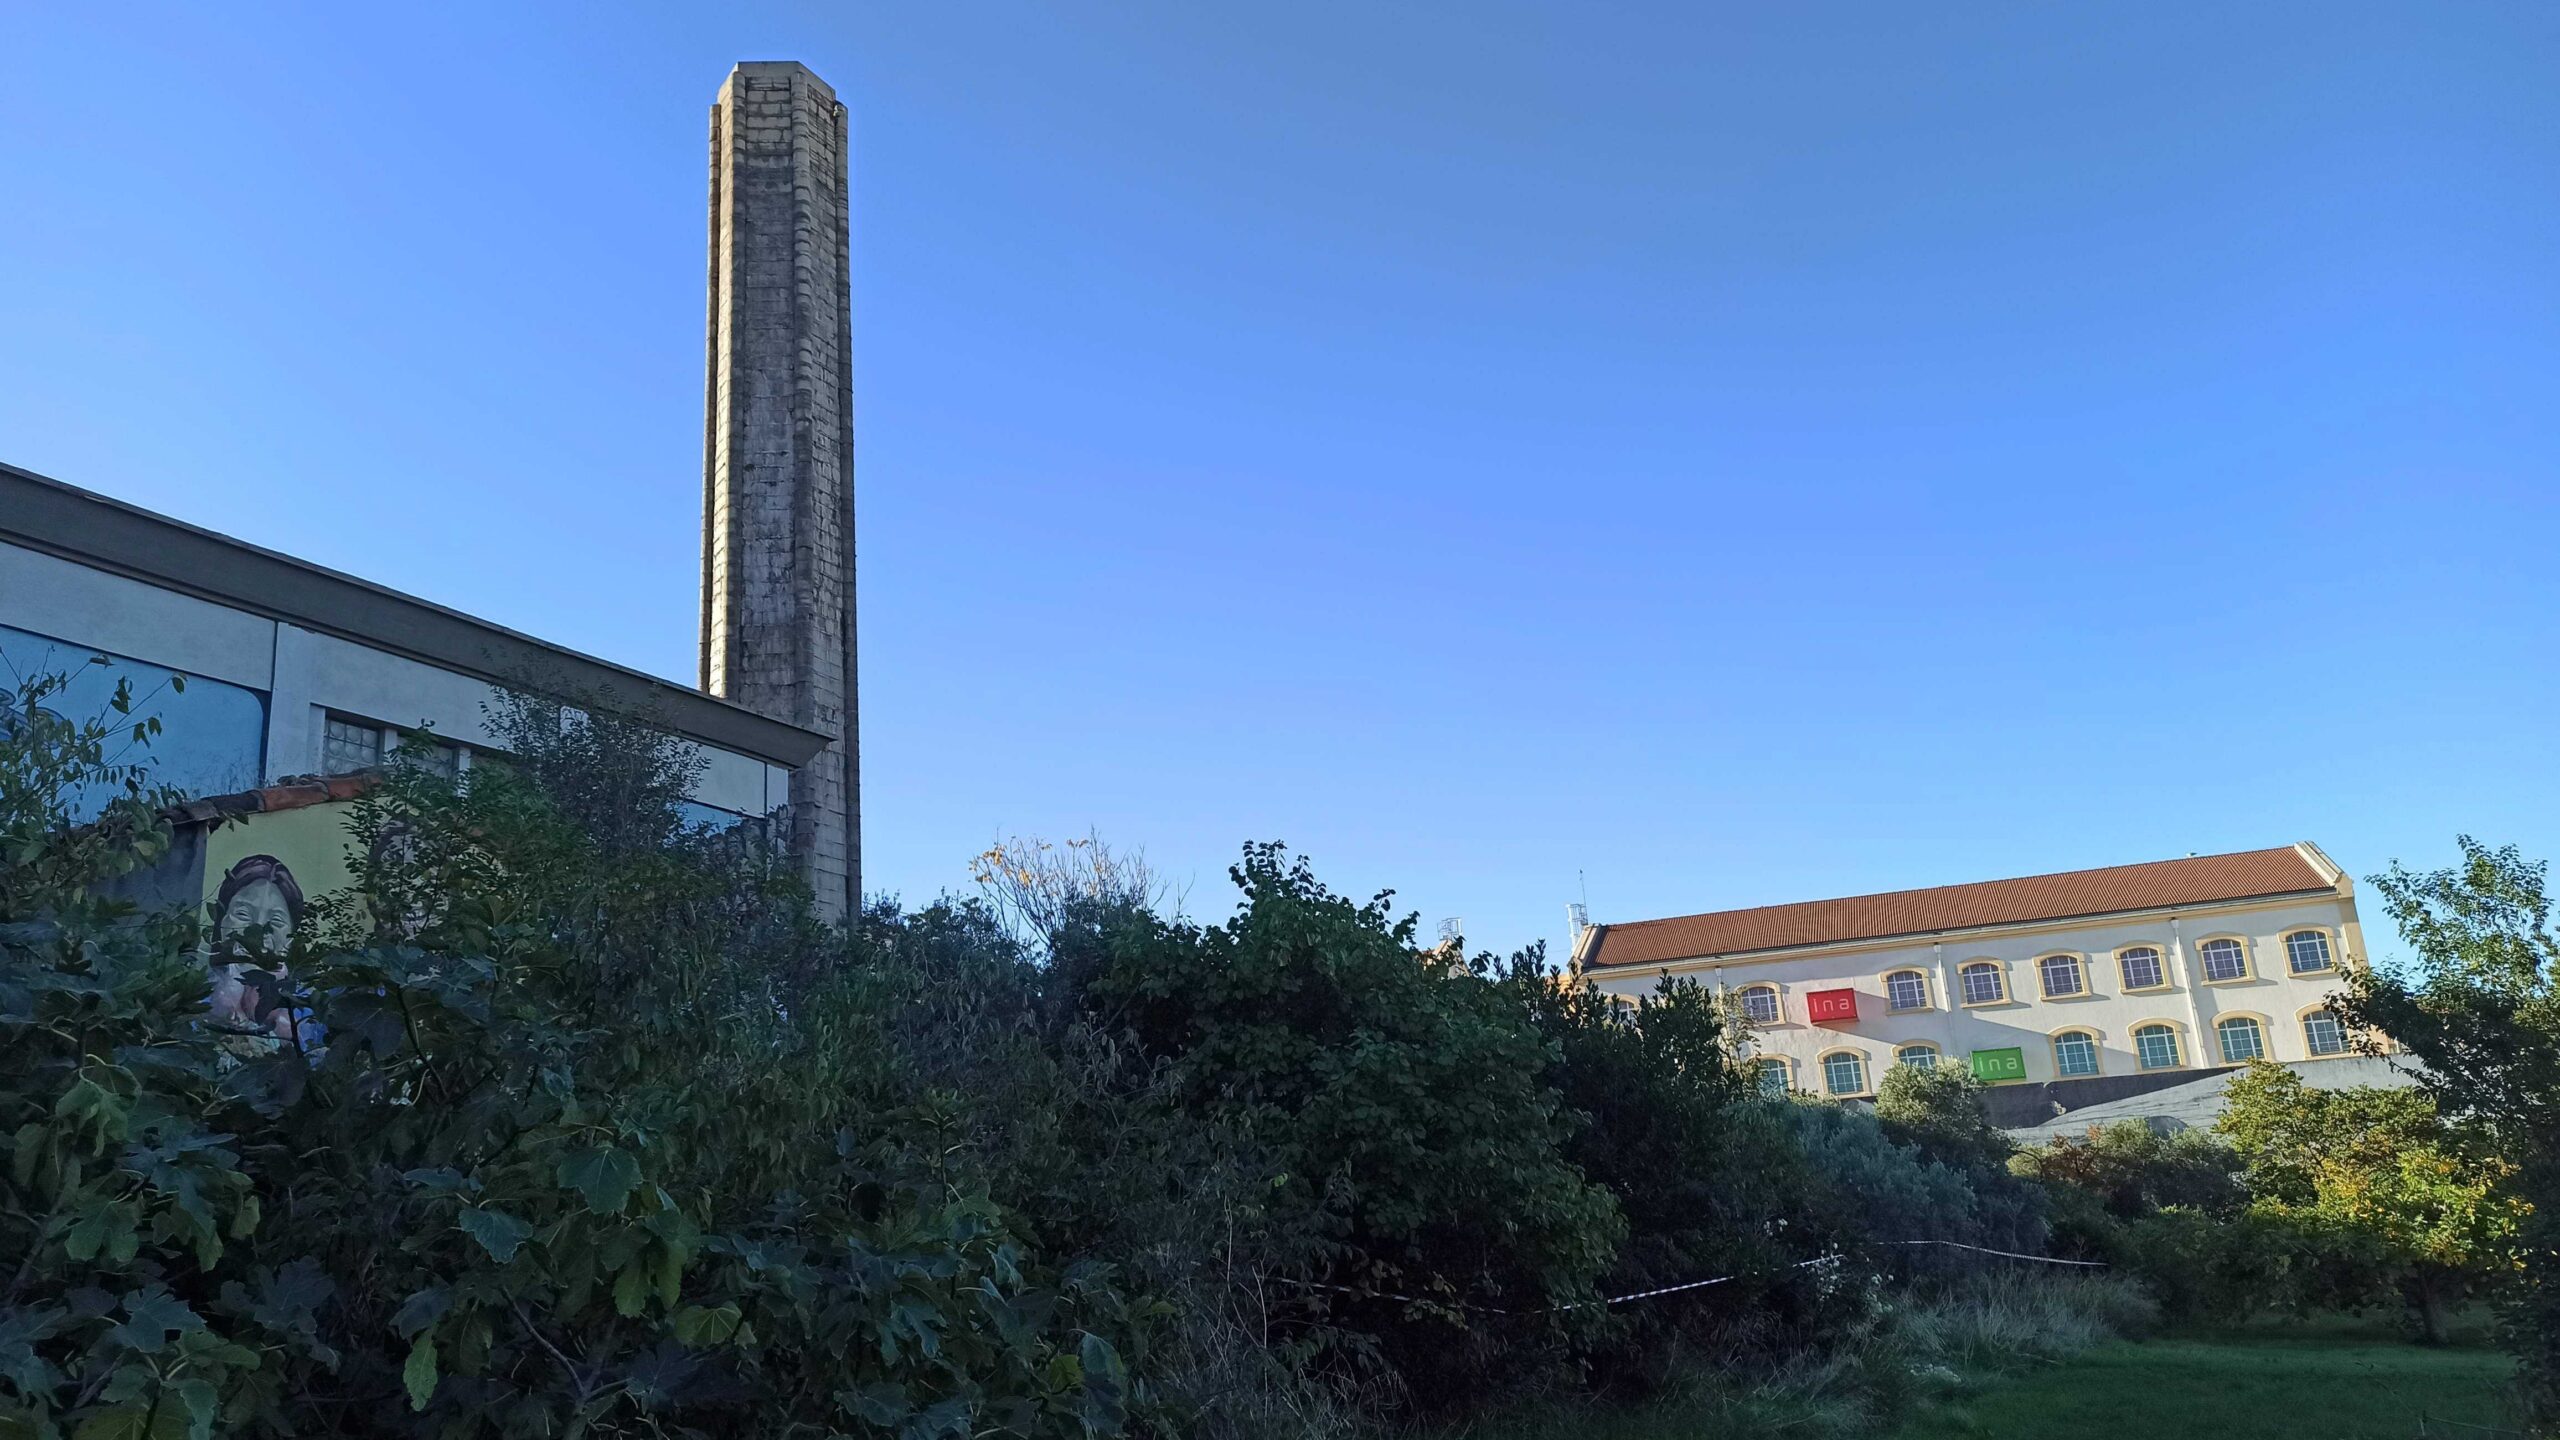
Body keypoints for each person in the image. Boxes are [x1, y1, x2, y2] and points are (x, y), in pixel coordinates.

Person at [205, 854, 323, 1055]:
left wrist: (284, 1028)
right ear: (221, 921)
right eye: (243, 914)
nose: (258, 929)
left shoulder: (310, 1009)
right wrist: (223, 1013)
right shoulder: (197, 997)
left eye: (276, 921)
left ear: (291, 936)